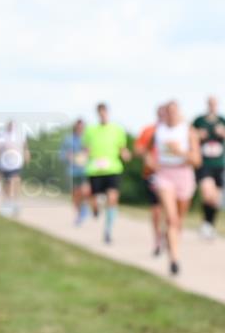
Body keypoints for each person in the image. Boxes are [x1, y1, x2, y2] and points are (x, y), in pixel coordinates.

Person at [152, 100, 201, 275]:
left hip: (184, 174)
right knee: (171, 219)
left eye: (174, 111)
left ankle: (171, 240)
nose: (171, 115)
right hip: (165, 175)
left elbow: (197, 160)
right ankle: (174, 259)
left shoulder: (188, 131)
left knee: (178, 220)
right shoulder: (158, 130)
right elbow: (150, 152)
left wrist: (179, 151)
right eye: (168, 112)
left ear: (179, 113)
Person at [82, 103, 132, 244]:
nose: (103, 115)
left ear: (107, 112)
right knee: (94, 198)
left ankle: (108, 231)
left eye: (104, 112)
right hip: (95, 169)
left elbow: (122, 148)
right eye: (100, 112)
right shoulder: (90, 130)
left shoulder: (117, 129)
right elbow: (86, 149)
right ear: (97, 113)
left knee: (112, 199)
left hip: (113, 169)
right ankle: (96, 209)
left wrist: (126, 154)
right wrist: (83, 157)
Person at [193, 96, 225, 239]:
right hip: (204, 164)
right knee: (207, 193)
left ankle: (209, 225)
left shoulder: (223, 121)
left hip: (219, 164)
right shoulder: (199, 121)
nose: (212, 106)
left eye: (215, 104)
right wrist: (198, 135)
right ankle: (206, 224)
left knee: (216, 199)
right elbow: (189, 136)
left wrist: (224, 133)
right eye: (210, 103)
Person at [135, 104, 168, 256]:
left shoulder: (175, 132)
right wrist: (148, 159)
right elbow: (138, 149)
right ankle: (157, 238)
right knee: (156, 209)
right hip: (152, 174)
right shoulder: (148, 130)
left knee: (168, 209)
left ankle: (167, 234)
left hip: (170, 173)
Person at [0, 120, 29, 217]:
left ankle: (15, 202)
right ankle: (8, 202)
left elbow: (25, 147)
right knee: (6, 183)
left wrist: (27, 155)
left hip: (16, 163)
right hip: (4, 164)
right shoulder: (2, 136)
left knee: (14, 181)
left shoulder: (19, 136)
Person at [59, 119, 90, 225]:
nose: (80, 129)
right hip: (73, 171)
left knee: (85, 191)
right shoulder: (68, 140)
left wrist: (89, 153)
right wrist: (68, 156)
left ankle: (85, 208)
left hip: (86, 170)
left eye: (82, 127)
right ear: (75, 127)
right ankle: (79, 214)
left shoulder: (88, 139)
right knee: (75, 195)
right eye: (78, 127)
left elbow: (94, 153)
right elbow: (61, 155)